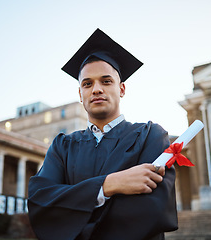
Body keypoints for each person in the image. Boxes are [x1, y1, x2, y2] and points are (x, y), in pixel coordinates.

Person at [28, 29, 178, 240]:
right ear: (80, 94)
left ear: (122, 89)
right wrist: (109, 185)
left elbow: (153, 209)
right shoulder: (63, 146)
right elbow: (41, 202)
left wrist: (75, 210)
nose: (96, 89)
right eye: (87, 83)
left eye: (106, 81)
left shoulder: (150, 136)